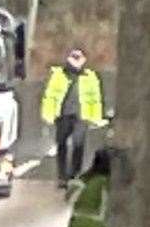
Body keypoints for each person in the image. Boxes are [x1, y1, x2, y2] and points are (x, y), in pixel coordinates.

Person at [41, 48, 105, 188]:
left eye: (79, 57)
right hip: (63, 115)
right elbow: (50, 96)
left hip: (81, 116)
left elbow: (95, 99)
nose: (76, 61)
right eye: (73, 57)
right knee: (62, 145)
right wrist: (48, 114)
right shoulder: (59, 75)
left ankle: (74, 175)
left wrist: (96, 118)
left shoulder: (90, 76)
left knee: (78, 145)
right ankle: (62, 177)